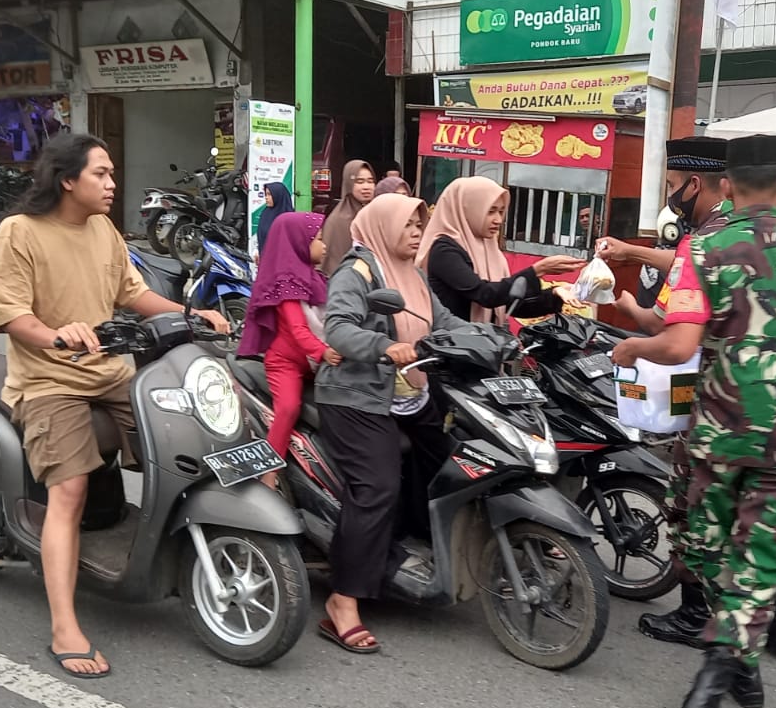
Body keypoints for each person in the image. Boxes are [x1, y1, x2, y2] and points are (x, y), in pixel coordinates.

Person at [612, 135, 776, 708]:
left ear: (725, 186)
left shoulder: (705, 249)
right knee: (764, 548)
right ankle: (732, 667)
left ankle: (724, 668)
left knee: (708, 544)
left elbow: (679, 343)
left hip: (722, 425)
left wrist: (634, 346)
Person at [0, 133, 231, 679]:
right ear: (67, 179)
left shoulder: (103, 230)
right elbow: (12, 317)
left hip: (113, 372)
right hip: (50, 381)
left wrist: (192, 313)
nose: (112, 184)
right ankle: (64, 625)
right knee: (68, 491)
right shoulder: (19, 233)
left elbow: (131, 294)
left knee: (190, 444)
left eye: (112, 174)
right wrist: (57, 335)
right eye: (101, 174)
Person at [314, 194, 471, 654]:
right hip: (357, 396)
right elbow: (338, 328)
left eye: (420, 224)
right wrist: (385, 347)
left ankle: (416, 550)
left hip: (410, 394)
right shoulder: (357, 272)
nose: (417, 232)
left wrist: (496, 339)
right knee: (377, 486)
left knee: (456, 462)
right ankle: (342, 602)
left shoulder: (415, 276)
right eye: (408, 225)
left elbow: (443, 322)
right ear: (384, 227)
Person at [237, 212, 341, 488]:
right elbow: (298, 331)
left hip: (316, 362)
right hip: (287, 363)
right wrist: (324, 352)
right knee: (288, 408)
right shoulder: (286, 284)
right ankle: (269, 472)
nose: (325, 245)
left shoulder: (317, 278)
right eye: (318, 239)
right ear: (298, 243)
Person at [599, 137, 733, 336]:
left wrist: (631, 309)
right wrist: (628, 251)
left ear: (694, 184)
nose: (671, 194)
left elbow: (661, 326)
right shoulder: (742, 225)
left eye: (671, 185)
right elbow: (693, 262)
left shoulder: (703, 242)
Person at [416, 176, 584, 324]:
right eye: (490, 212)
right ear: (467, 210)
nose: (498, 220)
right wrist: (537, 270)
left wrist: (554, 294)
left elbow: (508, 305)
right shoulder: (444, 249)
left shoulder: (488, 247)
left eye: (501, 212)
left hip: (485, 349)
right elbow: (485, 294)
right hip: (453, 350)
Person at [320, 159, 377, 275]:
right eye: (360, 182)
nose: (366, 187)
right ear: (349, 184)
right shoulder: (337, 220)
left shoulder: (376, 215)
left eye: (370, 181)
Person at [255, 181, 293, 255]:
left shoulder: (288, 218)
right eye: (265, 194)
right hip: (264, 257)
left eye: (269, 194)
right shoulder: (265, 213)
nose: (266, 197)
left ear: (278, 195)